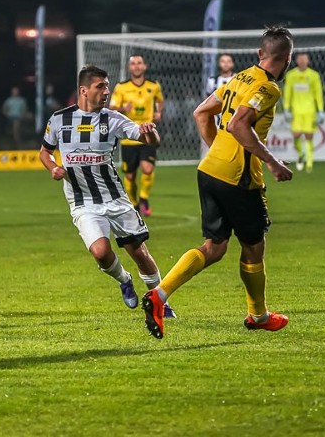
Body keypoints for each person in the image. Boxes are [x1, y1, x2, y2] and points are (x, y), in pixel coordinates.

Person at [141, 26, 294, 340]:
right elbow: (238, 123)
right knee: (254, 247)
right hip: (239, 178)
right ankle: (258, 316)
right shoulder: (268, 88)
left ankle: (159, 294)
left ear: (259, 54)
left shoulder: (239, 77)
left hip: (209, 170)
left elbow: (202, 113)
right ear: (287, 59)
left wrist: (218, 153)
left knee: (215, 247)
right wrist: (273, 162)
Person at [39, 65, 175, 318]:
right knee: (101, 253)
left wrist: (151, 132)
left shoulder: (113, 119)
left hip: (115, 199)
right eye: (100, 86)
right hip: (83, 202)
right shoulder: (59, 119)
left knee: (139, 253)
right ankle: (124, 280)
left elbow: (149, 141)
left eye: (107, 86)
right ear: (84, 90)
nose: (106, 91)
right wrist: (53, 168)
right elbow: (44, 152)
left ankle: (161, 302)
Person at [109, 55, 164, 216]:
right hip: (129, 136)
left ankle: (144, 198)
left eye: (139, 63)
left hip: (147, 134)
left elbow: (160, 100)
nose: (137, 66)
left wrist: (159, 112)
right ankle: (134, 203)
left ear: (144, 66)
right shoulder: (121, 87)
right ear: (129, 68)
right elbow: (112, 107)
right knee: (130, 176)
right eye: (133, 63)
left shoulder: (153, 86)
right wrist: (123, 108)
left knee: (147, 169)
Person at [282, 51, 324, 172]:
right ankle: (301, 154)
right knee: (296, 135)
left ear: (308, 61)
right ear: (296, 61)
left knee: (309, 136)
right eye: (300, 59)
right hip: (296, 111)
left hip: (310, 111)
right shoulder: (290, 75)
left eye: (304, 59)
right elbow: (288, 93)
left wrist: (320, 110)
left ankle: (309, 162)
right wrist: (286, 109)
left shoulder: (314, 75)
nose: (302, 61)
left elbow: (318, 94)